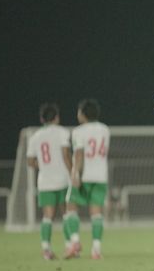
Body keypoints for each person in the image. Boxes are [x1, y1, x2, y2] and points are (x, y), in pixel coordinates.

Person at [63, 99, 110, 260]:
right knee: (96, 213)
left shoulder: (78, 131)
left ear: (82, 114)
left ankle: (75, 241)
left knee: (70, 205)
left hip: (85, 175)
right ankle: (96, 249)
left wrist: (75, 174)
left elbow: (79, 155)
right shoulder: (105, 130)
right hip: (101, 175)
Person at [26, 103, 72, 260]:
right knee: (66, 214)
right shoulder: (62, 132)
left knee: (47, 216)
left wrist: (44, 166)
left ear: (41, 119)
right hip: (63, 179)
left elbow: (30, 162)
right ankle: (69, 246)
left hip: (45, 180)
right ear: (57, 117)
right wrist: (73, 172)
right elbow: (66, 155)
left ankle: (46, 248)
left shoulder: (35, 137)